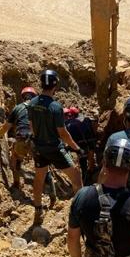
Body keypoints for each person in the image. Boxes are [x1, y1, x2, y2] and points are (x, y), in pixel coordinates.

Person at [28, 69, 83, 225]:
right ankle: (79, 215)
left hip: (39, 147)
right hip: (54, 149)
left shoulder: (32, 103)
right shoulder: (55, 107)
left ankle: (38, 210)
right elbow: (63, 133)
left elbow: (31, 127)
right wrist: (77, 148)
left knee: (39, 178)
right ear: (55, 86)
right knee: (77, 178)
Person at [0, 86, 37, 189]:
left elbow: (7, 126)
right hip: (37, 141)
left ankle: (16, 183)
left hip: (22, 139)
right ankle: (50, 187)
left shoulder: (18, 108)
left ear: (23, 97)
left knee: (15, 158)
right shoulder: (39, 108)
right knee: (42, 165)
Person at [64, 106, 97, 184]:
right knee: (88, 161)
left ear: (71, 115)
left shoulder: (69, 124)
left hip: (79, 146)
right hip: (90, 143)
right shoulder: (87, 119)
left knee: (82, 164)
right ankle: (90, 175)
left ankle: (84, 181)